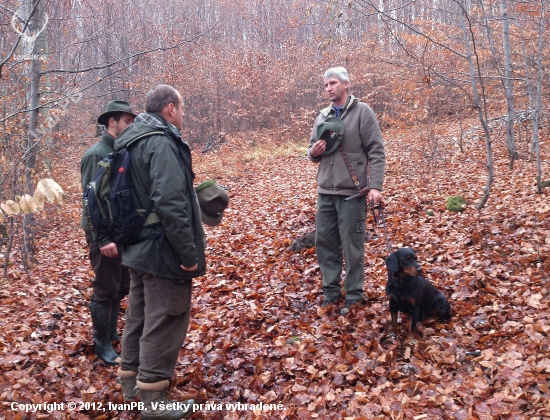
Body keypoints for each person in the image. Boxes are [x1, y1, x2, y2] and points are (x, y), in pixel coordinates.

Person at [115, 85, 205, 420]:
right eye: (181, 109)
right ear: (170, 109)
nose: (183, 115)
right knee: (165, 317)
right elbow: (169, 201)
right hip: (160, 249)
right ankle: (153, 400)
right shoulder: (161, 141)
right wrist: (188, 253)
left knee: (138, 315)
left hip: (136, 246)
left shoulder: (130, 138)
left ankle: (130, 384)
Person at [308, 67, 386, 316]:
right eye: (326, 85)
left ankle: (354, 294)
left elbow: (376, 151)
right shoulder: (322, 116)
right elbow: (311, 150)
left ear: (346, 84)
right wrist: (314, 152)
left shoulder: (362, 113)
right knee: (325, 243)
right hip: (325, 192)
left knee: (352, 245)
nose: (329, 88)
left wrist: (375, 186)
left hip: (353, 193)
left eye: (333, 83)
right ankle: (331, 292)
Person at [80, 100, 136, 365]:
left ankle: (111, 332)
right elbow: (91, 200)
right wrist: (102, 238)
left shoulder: (120, 150)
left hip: (120, 232)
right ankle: (101, 345)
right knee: (105, 288)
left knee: (120, 285)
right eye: (127, 121)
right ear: (112, 122)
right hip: (103, 235)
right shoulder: (96, 154)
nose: (130, 126)